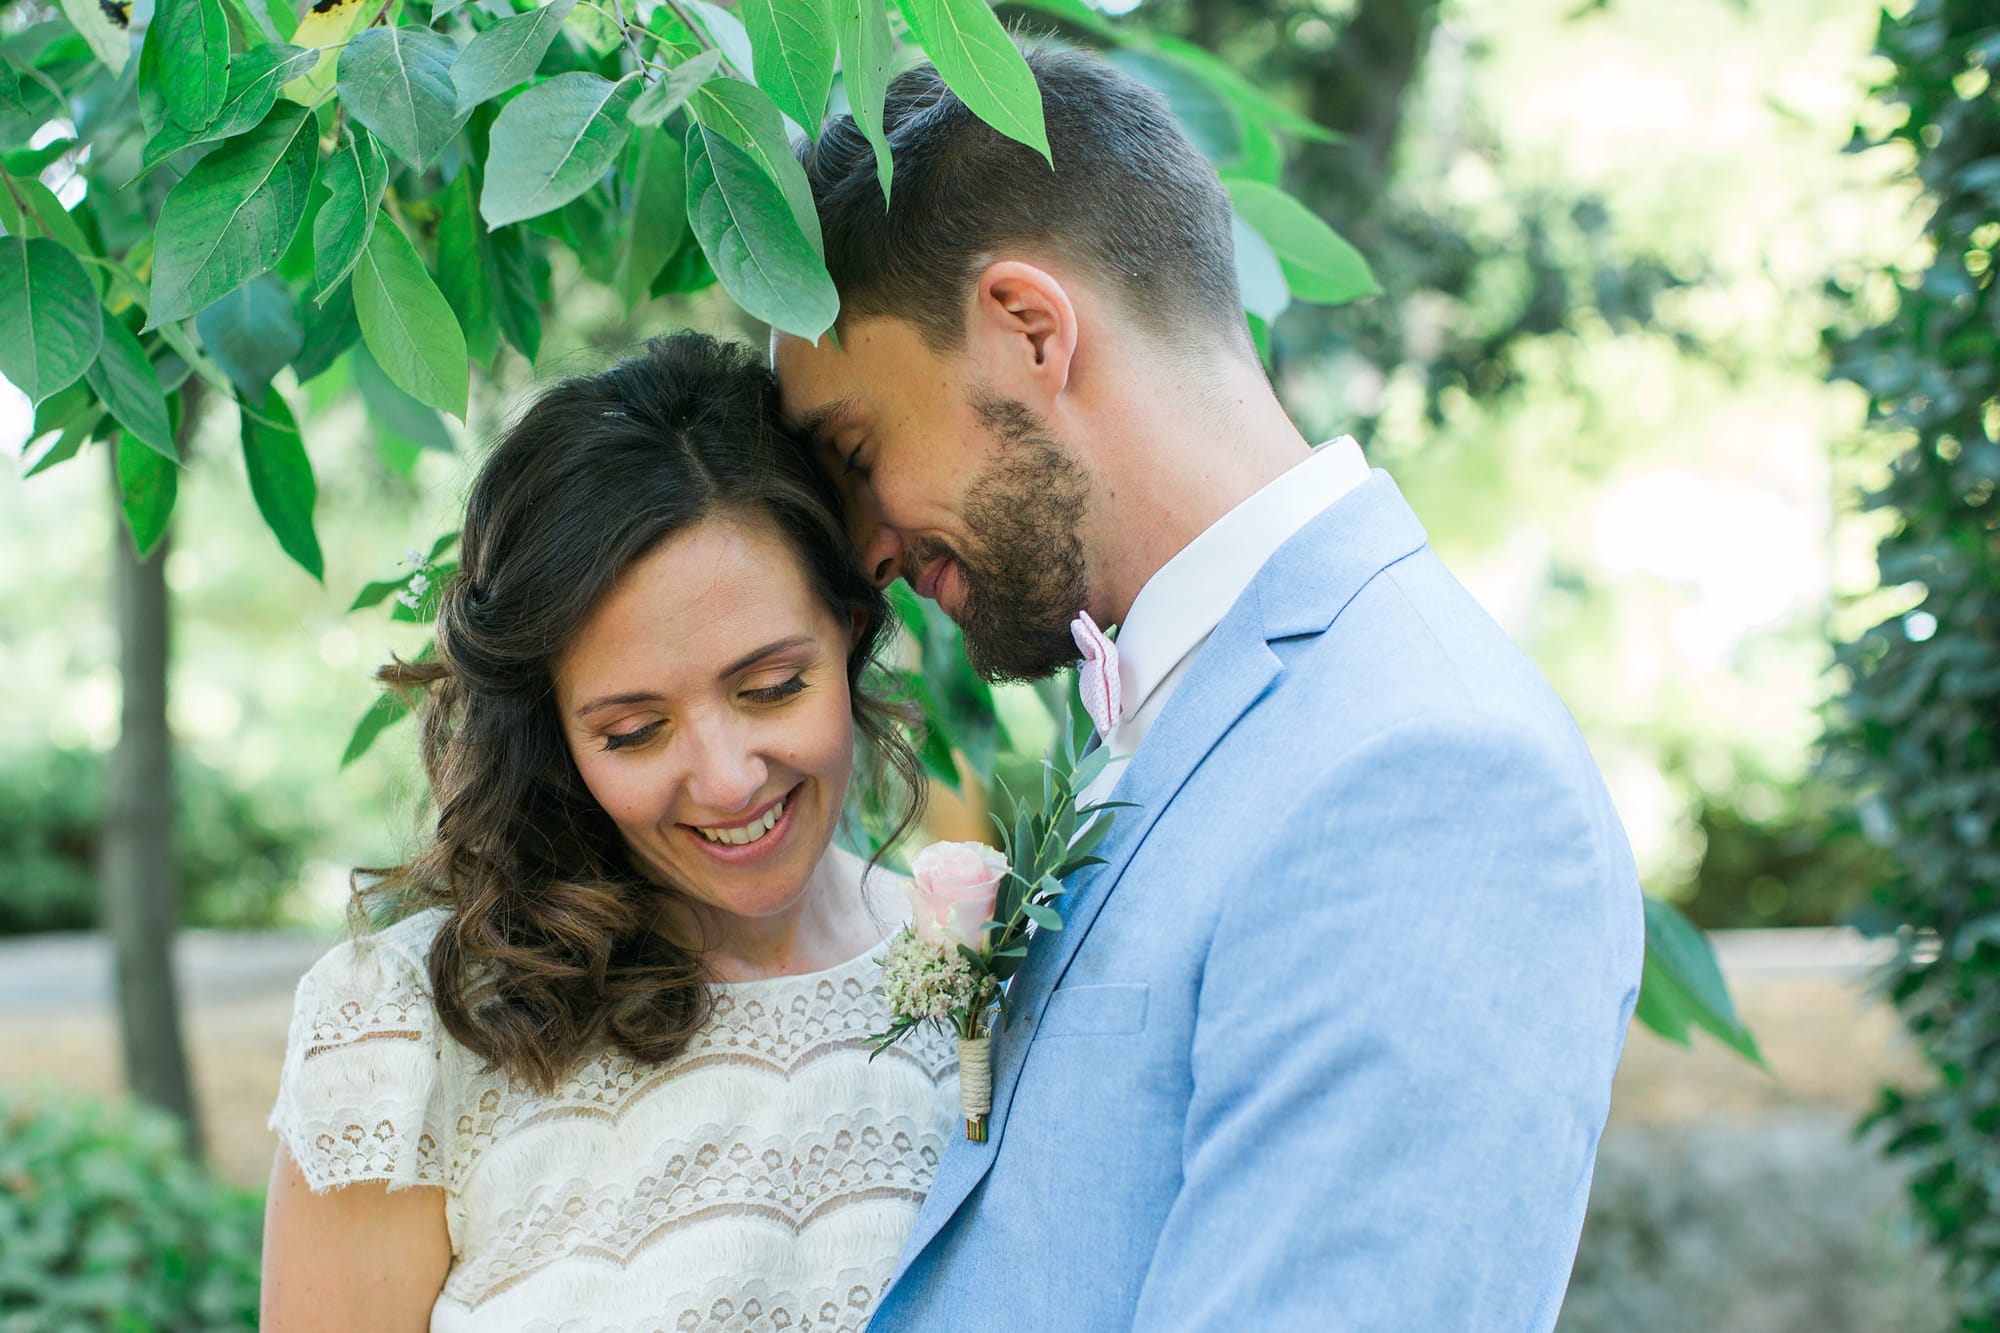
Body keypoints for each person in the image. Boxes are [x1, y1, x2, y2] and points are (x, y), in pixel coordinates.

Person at [774, 48, 1646, 1330]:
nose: (864, 553)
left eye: (856, 452)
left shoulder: (1427, 773)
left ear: (1028, 329)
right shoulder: (1182, 709)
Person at [260, 334, 957, 1332]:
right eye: (632, 731)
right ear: (553, 732)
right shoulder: (405, 1033)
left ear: (848, 632)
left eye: (771, 687)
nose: (726, 778)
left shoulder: (985, 957)